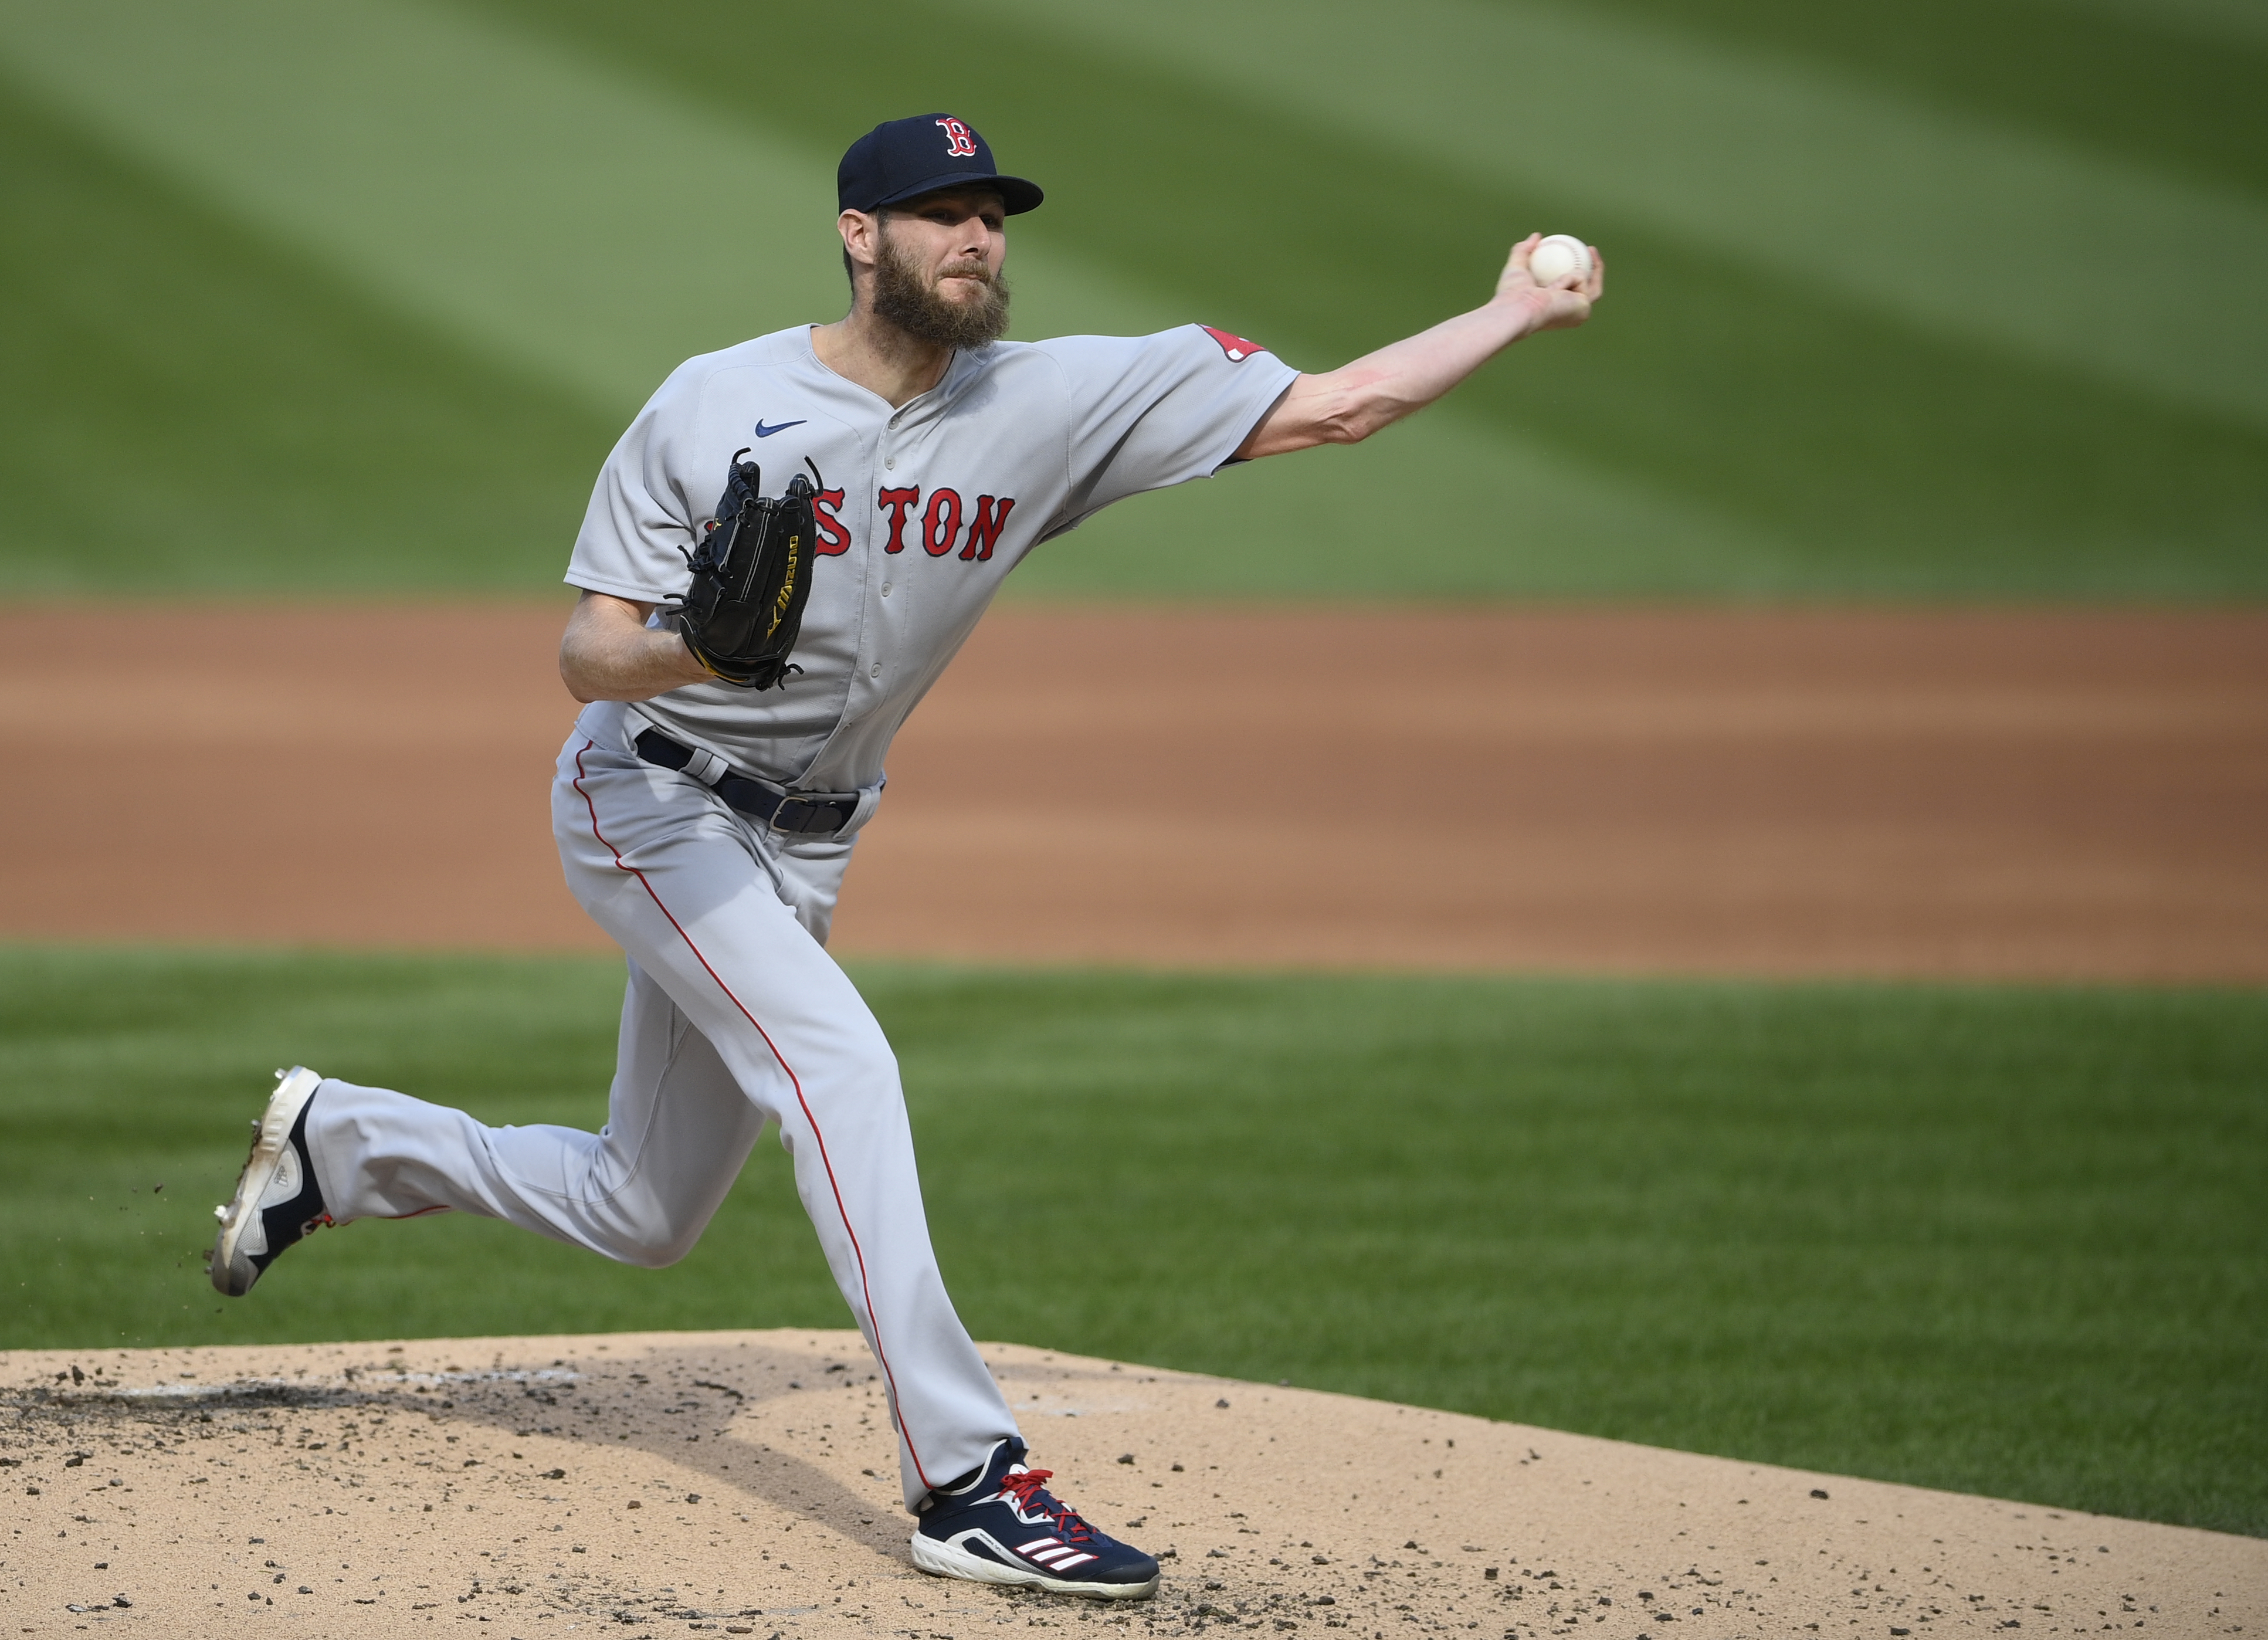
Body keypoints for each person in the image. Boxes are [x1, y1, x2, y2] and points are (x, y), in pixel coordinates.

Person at [210, 113, 1601, 1600]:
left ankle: (342, 1145)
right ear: (860, 235)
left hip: (810, 843)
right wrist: (698, 649)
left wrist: (1515, 309)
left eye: (993, 213)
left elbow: (1342, 407)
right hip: (653, 801)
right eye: (941, 212)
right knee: (844, 1070)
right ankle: (970, 1480)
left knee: (647, 1209)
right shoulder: (712, 403)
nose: (977, 237)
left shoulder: (1057, 402)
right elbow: (585, 656)